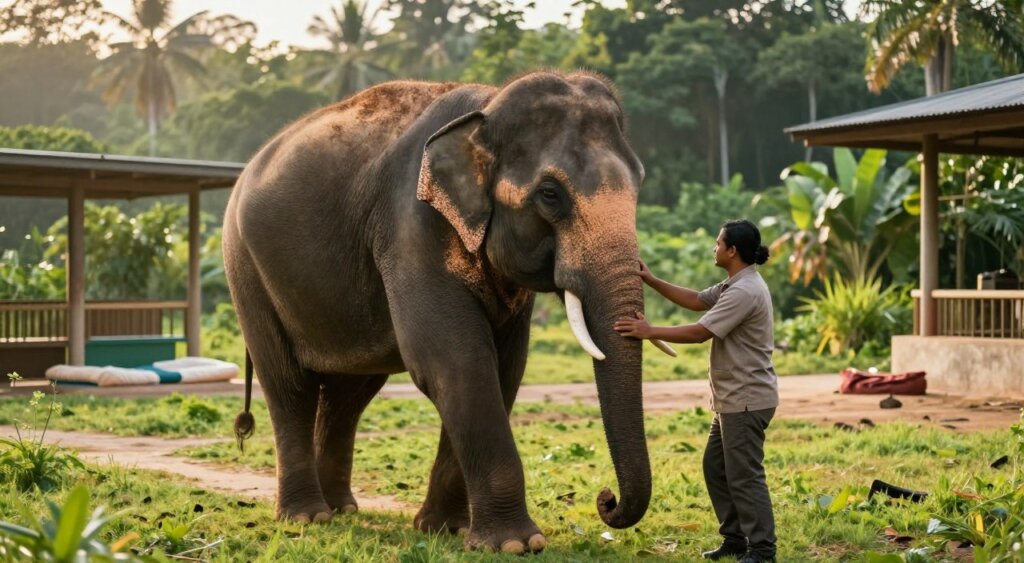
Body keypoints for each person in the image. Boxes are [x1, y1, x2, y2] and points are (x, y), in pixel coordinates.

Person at [614, 219, 778, 563]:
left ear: (732, 251)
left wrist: (648, 330)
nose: (713, 248)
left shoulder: (746, 291)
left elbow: (700, 332)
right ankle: (735, 539)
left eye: (718, 243)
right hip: (731, 401)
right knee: (716, 469)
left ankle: (763, 550)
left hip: (746, 401)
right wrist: (651, 279)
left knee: (745, 477)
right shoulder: (736, 284)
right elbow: (696, 301)